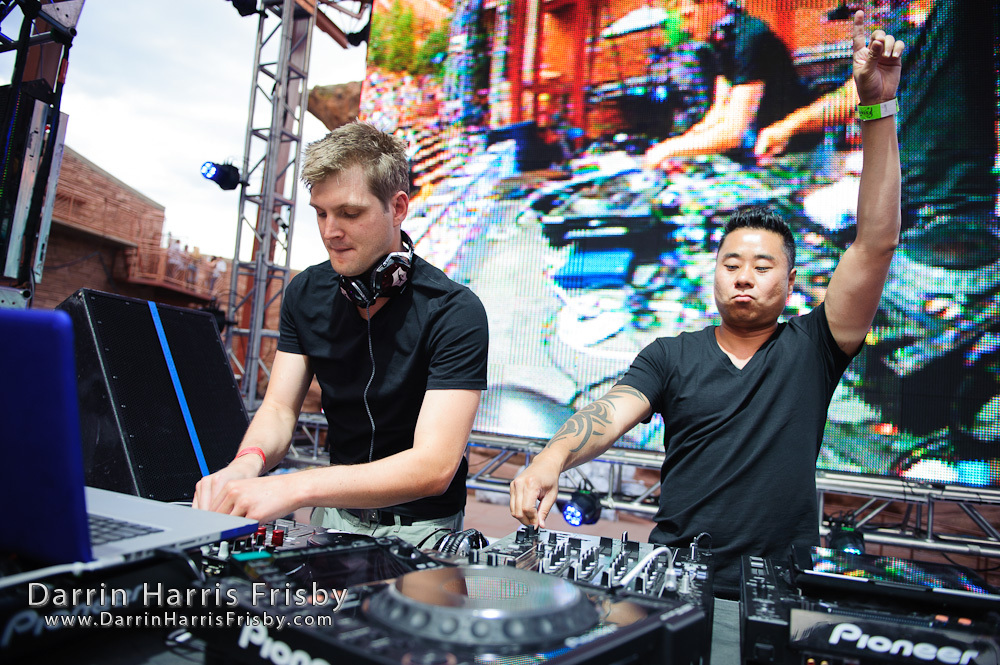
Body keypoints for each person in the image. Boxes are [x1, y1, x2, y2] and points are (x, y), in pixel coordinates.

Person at [511, 10, 902, 660]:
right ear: (714, 273)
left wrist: (877, 110)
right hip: (672, 586)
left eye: (763, 265)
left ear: (791, 281)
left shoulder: (813, 348)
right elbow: (609, 413)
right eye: (731, 263)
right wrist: (551, 458)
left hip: (773, 594)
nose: (744, 276)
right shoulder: (672, 354)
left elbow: (876, 241)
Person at [193, 121, 490, 546]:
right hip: (333, 513)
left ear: (398, 208)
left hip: (422, 529)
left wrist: (296, 486)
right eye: (321, 213)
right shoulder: (305, 293)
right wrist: (247, 462)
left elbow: (434, 467)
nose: (330, 231)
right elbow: (278, 409)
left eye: (350, 213)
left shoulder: (454, 311)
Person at [753, 0, 998, 476]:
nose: (868, 10)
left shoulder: (959, 13)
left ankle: (943, 436)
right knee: (899, 327)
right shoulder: (905, 22)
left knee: (941, 345)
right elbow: (867, 88)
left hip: (948, 212)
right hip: (907, 202)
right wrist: (796, 126)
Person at [644, 0, 815, 166]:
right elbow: (717, 113)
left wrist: (668, 149)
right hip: (764, 150)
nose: (684, 27)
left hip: (793, 155)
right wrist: (682, 143)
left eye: (688, 16)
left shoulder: (749, 38)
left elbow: (733, 133)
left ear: (712, 4)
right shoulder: (724, 40)